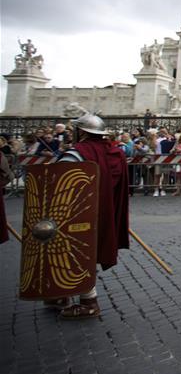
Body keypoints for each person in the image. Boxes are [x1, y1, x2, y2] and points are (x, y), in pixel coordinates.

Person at [53, 114, 130, 319]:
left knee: (75, 251)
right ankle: (61, 291)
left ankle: (88, 301)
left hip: (75, 213)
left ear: (82, 132)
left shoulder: (77, 153)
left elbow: (58, 183)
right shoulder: (116, 153)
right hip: (106, 210)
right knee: (85, 250)